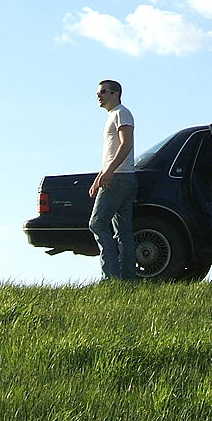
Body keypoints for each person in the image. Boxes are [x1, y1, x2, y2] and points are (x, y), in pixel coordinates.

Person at [88, 79, 138, 280]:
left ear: (115, 94)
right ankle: (127, 281)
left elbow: (126, 145)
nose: (99, 96)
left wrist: (109, 172)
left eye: (103, 92)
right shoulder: (113, 116)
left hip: (119, 178)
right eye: (98, 93)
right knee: (123, 231)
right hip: (120, 177)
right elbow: (110, 152)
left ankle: (111, 277)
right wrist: (99, 178)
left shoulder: (121, 113)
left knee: (97, 223)